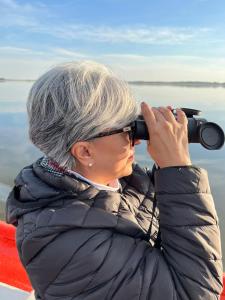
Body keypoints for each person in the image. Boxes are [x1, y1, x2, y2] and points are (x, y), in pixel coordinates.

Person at [6, 61, 223, 300]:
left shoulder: (110, 180)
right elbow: (196, 293)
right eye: (128, 131)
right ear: (85, 152)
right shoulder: (72, 247)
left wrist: (167, 158)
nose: (137, 141)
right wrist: (177, 169)